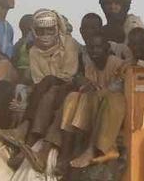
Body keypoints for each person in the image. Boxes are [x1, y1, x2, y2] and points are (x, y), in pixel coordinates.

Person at [54, 26, 128, 171]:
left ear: (107, 48)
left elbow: (116, 89)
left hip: (116, 105)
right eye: (91, 48)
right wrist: (85, 84)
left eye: (98, 47)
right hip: (96, 103)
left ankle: (91, 149)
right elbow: (89, 87)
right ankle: (66, 151)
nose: (94, 51)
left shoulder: (117, 64)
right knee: (73, 97)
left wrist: (96, 90)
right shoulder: (89, 66)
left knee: (98, 97)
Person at [25, 9, 83, 147]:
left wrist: (51, 80)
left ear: (57, 29)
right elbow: (38, 79)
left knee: (50, 85)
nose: (45, 35)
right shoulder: (33, 51)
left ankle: (27, 128)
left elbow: (69, 73)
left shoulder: (69, 43)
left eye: (49, 30)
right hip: (45, 89)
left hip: (69, 87)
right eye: (41, 31)